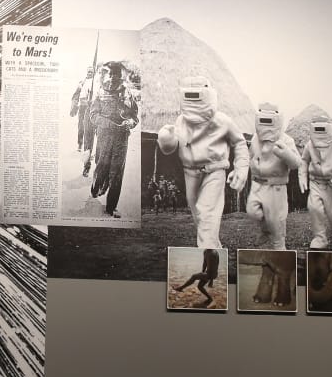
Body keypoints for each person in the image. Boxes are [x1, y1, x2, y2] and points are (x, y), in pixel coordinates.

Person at [157, 75, 249, 248]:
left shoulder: (222, 121)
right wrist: (166, 139)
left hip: (213, 172)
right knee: (201, 220)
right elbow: (170, 148)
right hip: (189, 173)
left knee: (206, 214)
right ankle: (215, 257)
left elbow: (240, 143)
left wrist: (241, 168)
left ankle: (206, 257)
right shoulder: (181, 121)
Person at [245, 102, 300, 249]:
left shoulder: (286, 140)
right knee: (252, 211)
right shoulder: (255, 139)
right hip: (257, 185)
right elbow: (249, 156)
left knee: (277, 221)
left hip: (276, 187)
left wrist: (286, 154)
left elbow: (296, 163)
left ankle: (279, 249)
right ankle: (266, 229)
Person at [88, 62, 139, 219]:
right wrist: (109, 124)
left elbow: (134, 116)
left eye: (116, 74)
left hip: (121, 139)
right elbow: (93, 116)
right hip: (104, 137)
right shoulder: (99, 93)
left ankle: (111, 207)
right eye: (110, 74)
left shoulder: (127, 94)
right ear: (106, 75)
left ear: (120, 77)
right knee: (102, 166)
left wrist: (130, 123)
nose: (112, 78)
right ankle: (96, 187)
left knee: (117, 172)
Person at [299, 117, 332, 250]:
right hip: (316, 182)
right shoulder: (309, 145)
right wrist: (302, 177)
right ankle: (320, 238)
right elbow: (304, 161)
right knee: (314, 208)